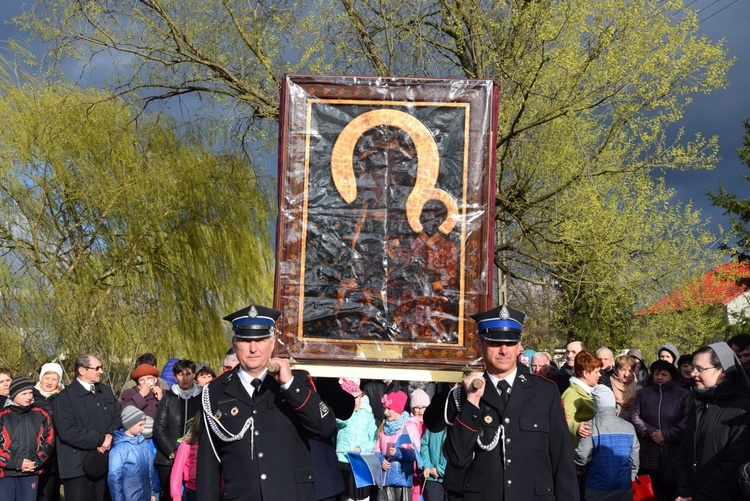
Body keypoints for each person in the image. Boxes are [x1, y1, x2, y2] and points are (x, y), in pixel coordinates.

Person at [197, 303, 336, 500]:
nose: (253, 349)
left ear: (272, 343)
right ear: (235, 343)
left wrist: (289, 386)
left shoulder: (298, 382)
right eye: (245, 340)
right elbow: (207, 466)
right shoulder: (214, 392)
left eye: (261, 340)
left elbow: (325, 427)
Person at [441, 305, 579, 500]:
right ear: (480, 345)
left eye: (510, 342)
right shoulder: (463, 394)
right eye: (495, 343)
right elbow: (457, 458)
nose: (504, 350)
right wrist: (472, 401)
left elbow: (562, 460)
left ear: (519, 346)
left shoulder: (545, 392)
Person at [674, 342, 750, 501]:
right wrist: (684, 490)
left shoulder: (743, 408)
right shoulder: (698, 404)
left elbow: (733, 464)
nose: (693, 373)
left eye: (700, 369)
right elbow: (683, 451)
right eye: (693, 368)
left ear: (722, 370)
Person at [54, 354, 121, 501]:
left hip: (104, 462)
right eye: (97, 368)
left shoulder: (106, 391)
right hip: (77, 467)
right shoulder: (65, 397)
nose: (101, 371)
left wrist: (108, 438)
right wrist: (99, 440)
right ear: (82, 370)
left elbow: (118, 416)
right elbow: (67, 431)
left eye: (101, 368)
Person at [630, 360, 693, 501]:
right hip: (647, 454)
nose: (659, 377)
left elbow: (687, 420)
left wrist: (666, 435)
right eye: (656, 374)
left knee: (669, 493)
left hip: (673, 455)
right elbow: (634, 416)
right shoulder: (643, 394)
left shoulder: (683, 395)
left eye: (664, 374)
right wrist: (651, 432)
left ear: (672, 376)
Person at [574, 385, 639, 501]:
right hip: (623, 486)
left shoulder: (591, 426)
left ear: (596, 404)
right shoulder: (628, 427)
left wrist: (578, 465)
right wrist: (632, 476)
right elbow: (634, 458)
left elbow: (583, 456)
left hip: (596, 487)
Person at [0, 377, 55, 501]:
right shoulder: (3, 416)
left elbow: (50, 440)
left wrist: (37, 461)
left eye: (31, 393)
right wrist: (18, 463)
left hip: (30, 472)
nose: (29, 397)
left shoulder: (41, 413)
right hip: (5, 474)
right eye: (24, 393)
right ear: (13, 394)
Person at [153, 359, 202, 499]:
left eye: (188, 374)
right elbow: (159, 427)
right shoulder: (168, 397)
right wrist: (172, 450)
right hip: (169, 458)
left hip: (194, 456)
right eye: (181, 374)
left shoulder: (202, 396)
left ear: (194, 375)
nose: (185, 378)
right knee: (171, 495)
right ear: (175, 377)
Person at [373, 391, 420, 501]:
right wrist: (381, 459)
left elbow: (415, 453)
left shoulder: (410, 426)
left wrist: (399, 453)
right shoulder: (383, 427)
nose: (386, 412)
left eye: (389, 409)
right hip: (385, 478)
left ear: (398, 409)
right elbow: (376, 449)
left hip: (402, 479)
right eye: (385, 409)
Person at [336, 379, 377, 501]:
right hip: (344, 460)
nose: (355, 401)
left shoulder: (368, 416)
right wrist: (344, 408)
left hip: (361, 460)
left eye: (357, 397)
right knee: (346, 497)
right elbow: (339, 422)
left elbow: (373, 438)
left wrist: (361, 448)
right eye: (351, 398)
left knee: (363, 497)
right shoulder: (341, 415)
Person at [107, 406, 158, 501]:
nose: (143, 428)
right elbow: (114, 478)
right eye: (140, 425)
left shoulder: (143, 443)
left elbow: (150, 470)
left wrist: (151, 492)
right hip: (129, 497)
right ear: (129, 424)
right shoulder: (120, 448)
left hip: (146, 496)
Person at [32, 362, 64, 501]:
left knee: (50, 491)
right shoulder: (30, 394)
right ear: (41, 377)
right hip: (32, 447)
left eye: (54, 379)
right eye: (47, 377)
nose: (50, 382)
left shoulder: (63, 397)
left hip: (54, 449)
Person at [561, 350, 602, 449]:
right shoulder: (571, 394)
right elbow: (562, 420)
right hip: (577, 450)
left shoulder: (590, 391)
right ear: (585, 373)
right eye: (596, 372)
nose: (600, 375)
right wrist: (576, 427)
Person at [170, 412, 202, 501]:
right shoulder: (186, 444)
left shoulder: (214, 444)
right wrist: (176, 496)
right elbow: (177, 471)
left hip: (209, 489)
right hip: (191, 491)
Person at [420, 425, 447, 501]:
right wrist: (427, 466)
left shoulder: (457, 425)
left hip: (451, 478)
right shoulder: (433, 424)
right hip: (432, 477)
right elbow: (424, 444)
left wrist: (440, 470)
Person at [609, 355, 638, 421]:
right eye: (622, 370)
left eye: (630, 371)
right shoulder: (608, 385)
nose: (626, 374)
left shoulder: (638, 388)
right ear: (615, 370)